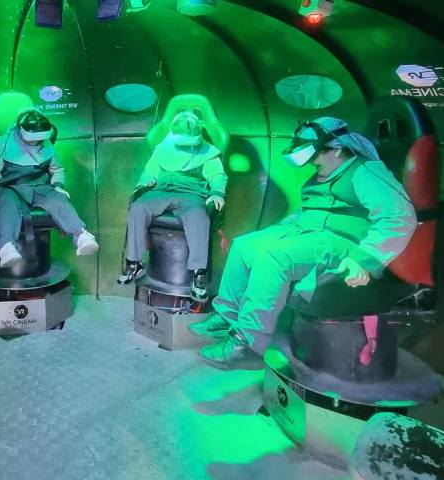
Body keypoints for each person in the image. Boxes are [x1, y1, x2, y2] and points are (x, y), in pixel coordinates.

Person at [191, 116, 416, 367]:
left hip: (340, 241)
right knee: (245, 245)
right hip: (306, 233)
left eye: (315, 155)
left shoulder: (364, 171)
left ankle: (247, 345)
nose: (311, 162)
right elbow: (307, 211)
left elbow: (399, 217)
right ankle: (227, 315)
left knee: (275, 256)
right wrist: (279, 231)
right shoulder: (322, 174)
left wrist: (364, 260)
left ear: (337, 149)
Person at [117, 111, 227, 301]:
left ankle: (198, 273)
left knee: (198, 217)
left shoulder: (207, 152)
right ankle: (134, 263)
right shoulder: (163, 149)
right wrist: (142, 185)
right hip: (162, 190)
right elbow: (150, 171)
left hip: (191, 193)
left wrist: (217, 192)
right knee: (137, 208)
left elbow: (217, 175)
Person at [0, 109, 99, 267]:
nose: (36, 143)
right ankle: (6, 247)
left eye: (39, 139)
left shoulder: (46, 144)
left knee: (58, 199)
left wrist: (58, 185)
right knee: (7, 205)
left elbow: (57, 169)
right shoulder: (5, 143)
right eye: (32, 139)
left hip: (38, 186)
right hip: (10, 186)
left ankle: (80, 235)